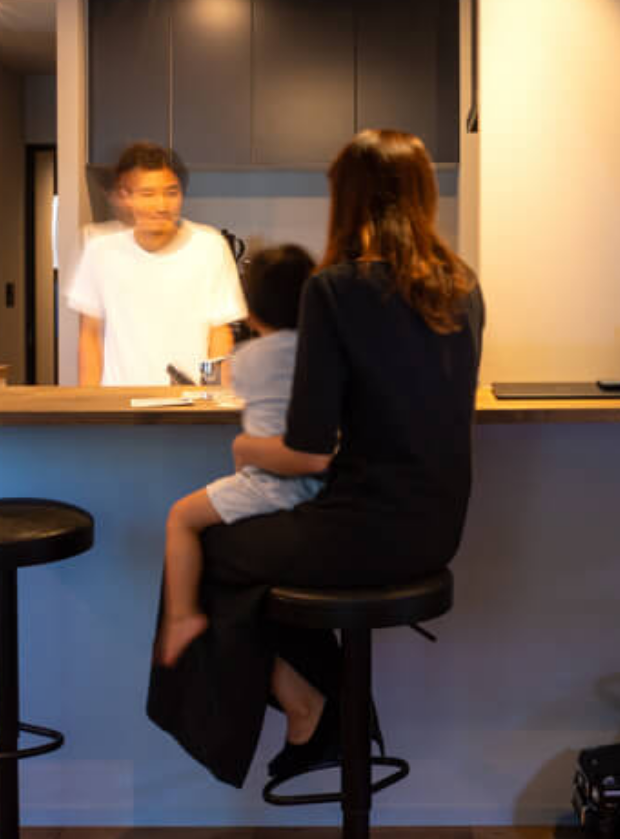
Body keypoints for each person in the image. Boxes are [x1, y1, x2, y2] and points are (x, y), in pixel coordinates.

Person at [146, 128, 485, 789]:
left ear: (347, 197)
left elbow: (305, 453)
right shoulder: (463, 287)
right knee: (254, 556)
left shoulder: (335, 289)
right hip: (438, 530)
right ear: (423, 194)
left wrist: (244, 446)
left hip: (361, 531)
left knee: (209, 550)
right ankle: (332, 715)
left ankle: (313, 712)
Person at [157, 244, 320, 668]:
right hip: (319, 493)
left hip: (267, 485)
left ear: (251, 313)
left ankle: (182, 616)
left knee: (181, 517)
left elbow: (238, 395)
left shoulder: (247, 359)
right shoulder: (322, 354)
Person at [68, 142, 246, 386]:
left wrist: (213, 396)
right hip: (119, 400)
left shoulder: (211, 247)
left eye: (171, 193)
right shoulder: (100, 252)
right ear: (127, 197)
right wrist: (90, 402)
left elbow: (219, 332)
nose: (161, 206)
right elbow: (90, 335)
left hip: (187, 400)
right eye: (148, 194)